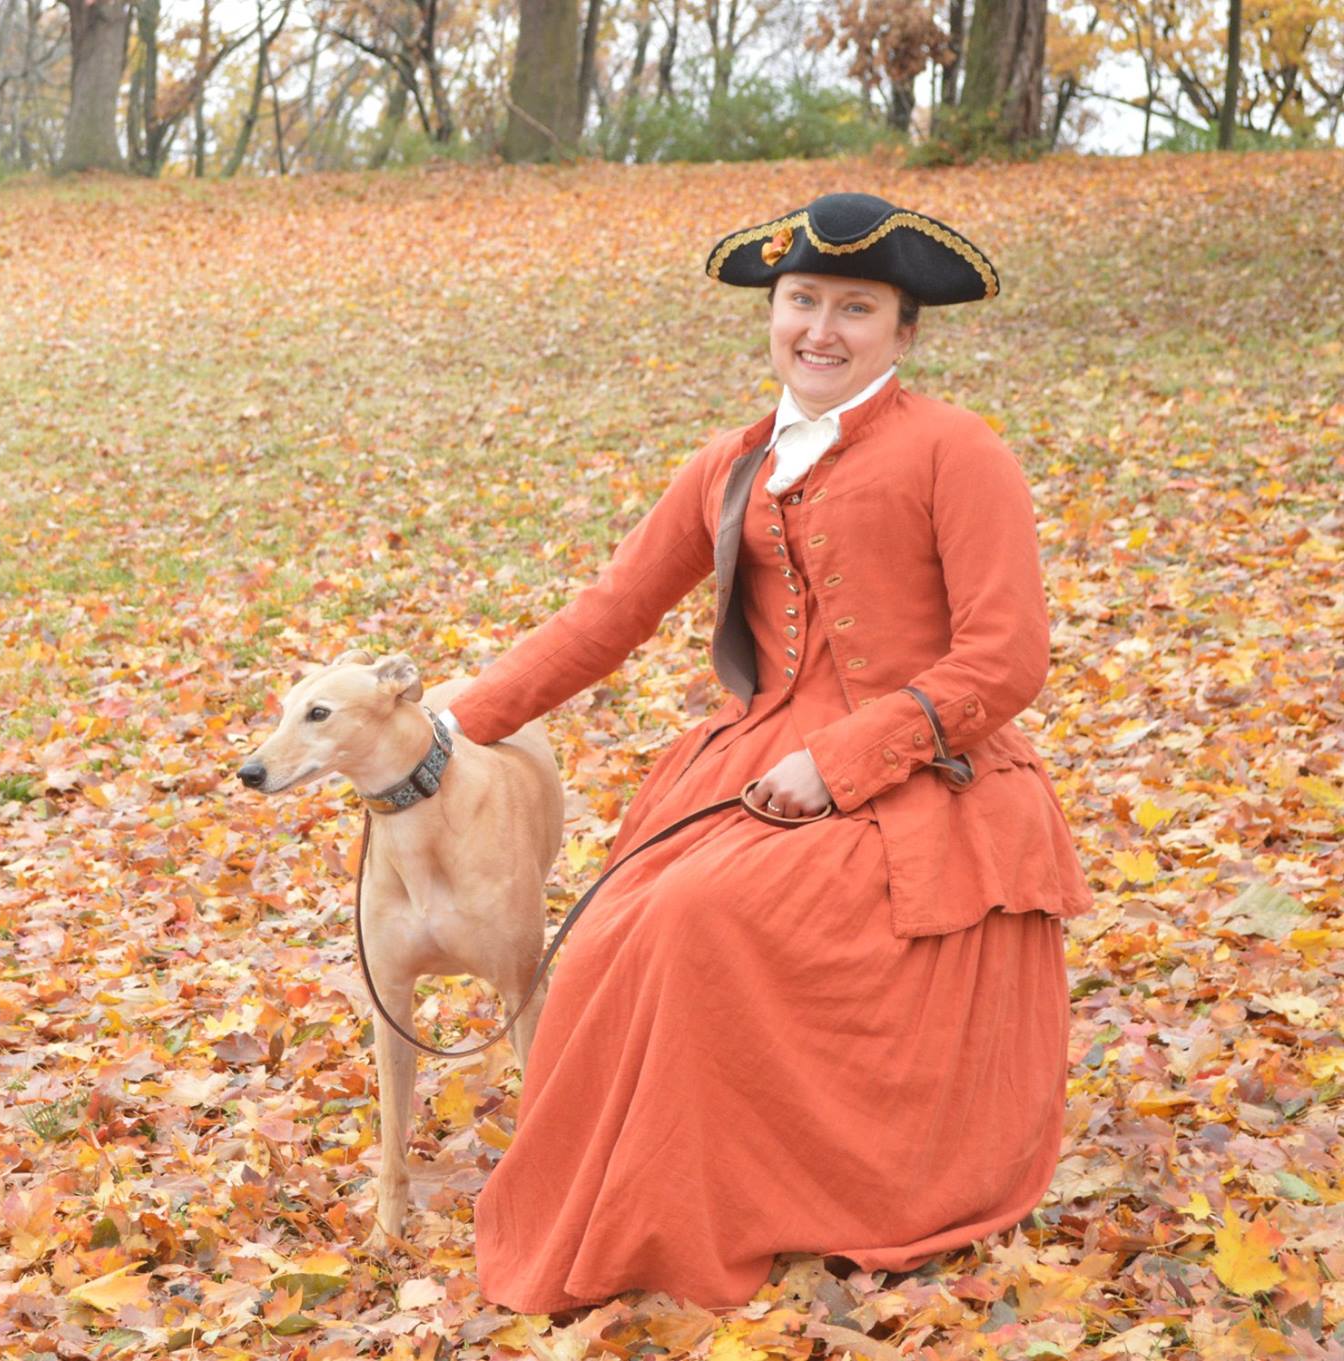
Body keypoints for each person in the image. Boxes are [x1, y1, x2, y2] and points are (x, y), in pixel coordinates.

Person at [434, 192, 1095, 1312]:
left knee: (701, 923)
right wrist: (456, 720)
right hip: (753, 758)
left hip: (924, 778)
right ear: (771, 310)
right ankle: (613, 1206)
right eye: (800, 301)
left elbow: (1004, 656)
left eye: (854, 306)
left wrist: (844, 758)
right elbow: (610, 612)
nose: (819, 329)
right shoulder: (730, 462)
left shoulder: (954, 449)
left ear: (902, 329)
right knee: (604, 932)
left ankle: (729, 1204)